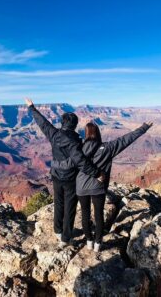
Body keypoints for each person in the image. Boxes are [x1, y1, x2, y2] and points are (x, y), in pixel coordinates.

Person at [25, 98, 104, 247]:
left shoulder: (54, 134)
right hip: (69, 179)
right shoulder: (74, 141)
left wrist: (32, 108)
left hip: (55, 176)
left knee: (58, 203)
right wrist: (96, 173)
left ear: (63, 123)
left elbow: (43, 123)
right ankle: (65, 238)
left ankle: (58, 230)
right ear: (74, 125)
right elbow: (80, 161)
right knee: (70, 208)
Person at [76, 121, 153, 252]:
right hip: (98, 187)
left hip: (81, 186)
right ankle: (97, 244)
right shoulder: (108, 147)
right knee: (98, 215)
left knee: (85, 214)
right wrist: (144, 127)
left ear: (86, 134)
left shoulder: (78, 148)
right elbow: (126, 139)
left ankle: (89, 240)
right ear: (98, 133)